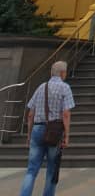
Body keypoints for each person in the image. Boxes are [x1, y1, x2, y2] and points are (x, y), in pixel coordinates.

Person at [19, 60, 74, 196]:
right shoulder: (65, 88)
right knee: (51, 169)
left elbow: (31, 113)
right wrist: (67, 136)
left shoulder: (41, 87)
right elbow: (66, 114)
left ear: (51, 73)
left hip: (37, 129)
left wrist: (29, 135)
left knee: (31, 170)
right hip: (54, 132)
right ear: (62, 73)